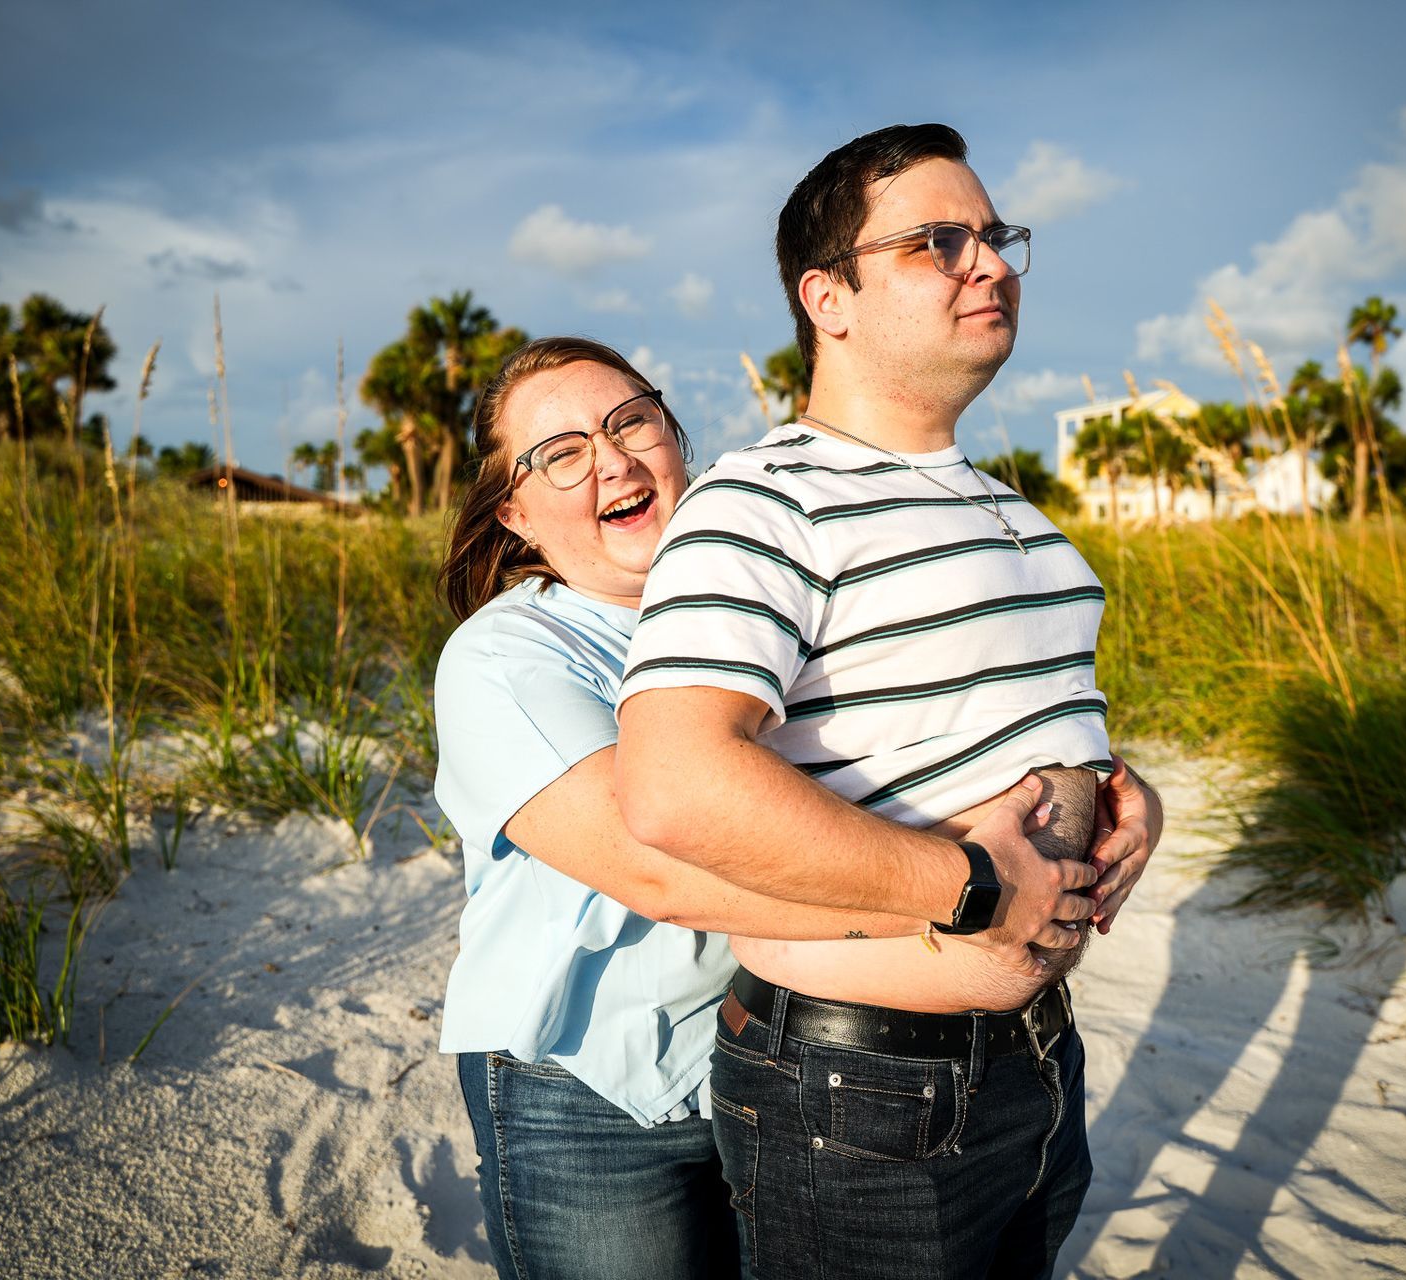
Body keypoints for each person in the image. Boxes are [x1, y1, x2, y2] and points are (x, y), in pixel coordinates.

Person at [431, 336, 1149, 1280]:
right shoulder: (506, 660)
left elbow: (936, 733)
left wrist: (1109, 789)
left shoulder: (767, 590)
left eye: (630, 422)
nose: (612, 461)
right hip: (589, 1089)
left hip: (766, 1051)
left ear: (675, 438)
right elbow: (661, 872)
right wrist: (972, 894)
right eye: (560, 454)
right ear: (515, 514)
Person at [616, 124, 1161, 1279]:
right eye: (938, 241)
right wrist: (970, 885)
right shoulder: (764, 500)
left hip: (1035, 1061)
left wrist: (1122, 792)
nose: (990, 262)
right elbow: (672, 785)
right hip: (861, 1090)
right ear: (829, 298)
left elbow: (998, 721)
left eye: (997, 236)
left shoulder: (1024, 518)